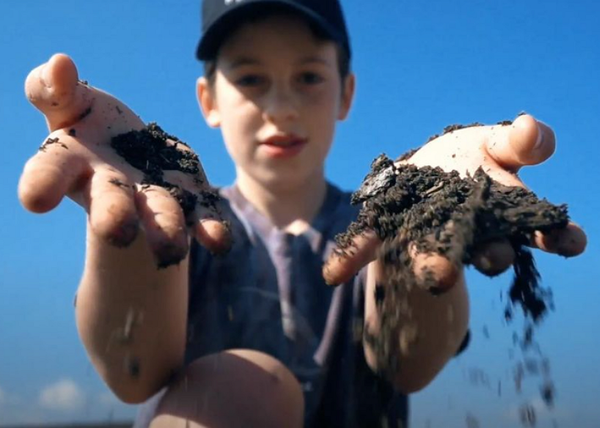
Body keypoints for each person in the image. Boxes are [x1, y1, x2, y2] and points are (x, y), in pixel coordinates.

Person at [18, 0, 586, 427]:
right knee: (244, 388)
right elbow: (132, 372)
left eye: (309, 76)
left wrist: (415, 208)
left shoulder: (367, 220)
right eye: (250, 78)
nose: (282, 106)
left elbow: (407, 363)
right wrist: (130, 235)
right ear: (208, 100)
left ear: (345, 94)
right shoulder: (191, 219)